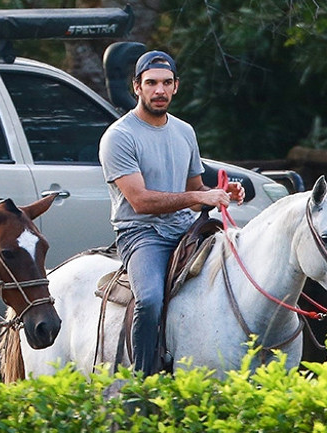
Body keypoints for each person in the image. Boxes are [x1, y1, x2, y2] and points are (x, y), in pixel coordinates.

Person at [98, 50, 244, 375]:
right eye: (151, 83)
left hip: (185, 229)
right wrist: (197, 195)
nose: (159, 90)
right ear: (137, 86)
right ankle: (143, 380)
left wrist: (219, 195)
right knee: (149, 300)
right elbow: (141, 202)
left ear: (176, 86)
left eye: (166, 83)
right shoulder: (119, 137)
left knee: (236, 279)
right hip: (141, 234)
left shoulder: (185, 132)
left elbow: (194, 193)